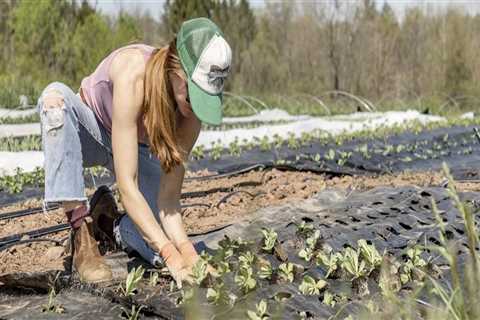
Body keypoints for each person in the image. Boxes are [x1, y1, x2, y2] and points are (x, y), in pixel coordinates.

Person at [36, 18, 232, 285]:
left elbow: (169, 202)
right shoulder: (134, 72)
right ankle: (81, 235)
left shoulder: (190, 113)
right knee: (54, 102)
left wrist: (186, 252)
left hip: (137, 149)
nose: (196, 105)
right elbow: (128, 185)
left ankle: (109, 224)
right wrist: (170, 256)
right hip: (94, 130)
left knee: (159, 235)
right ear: (176, 69)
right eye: (193, 93)